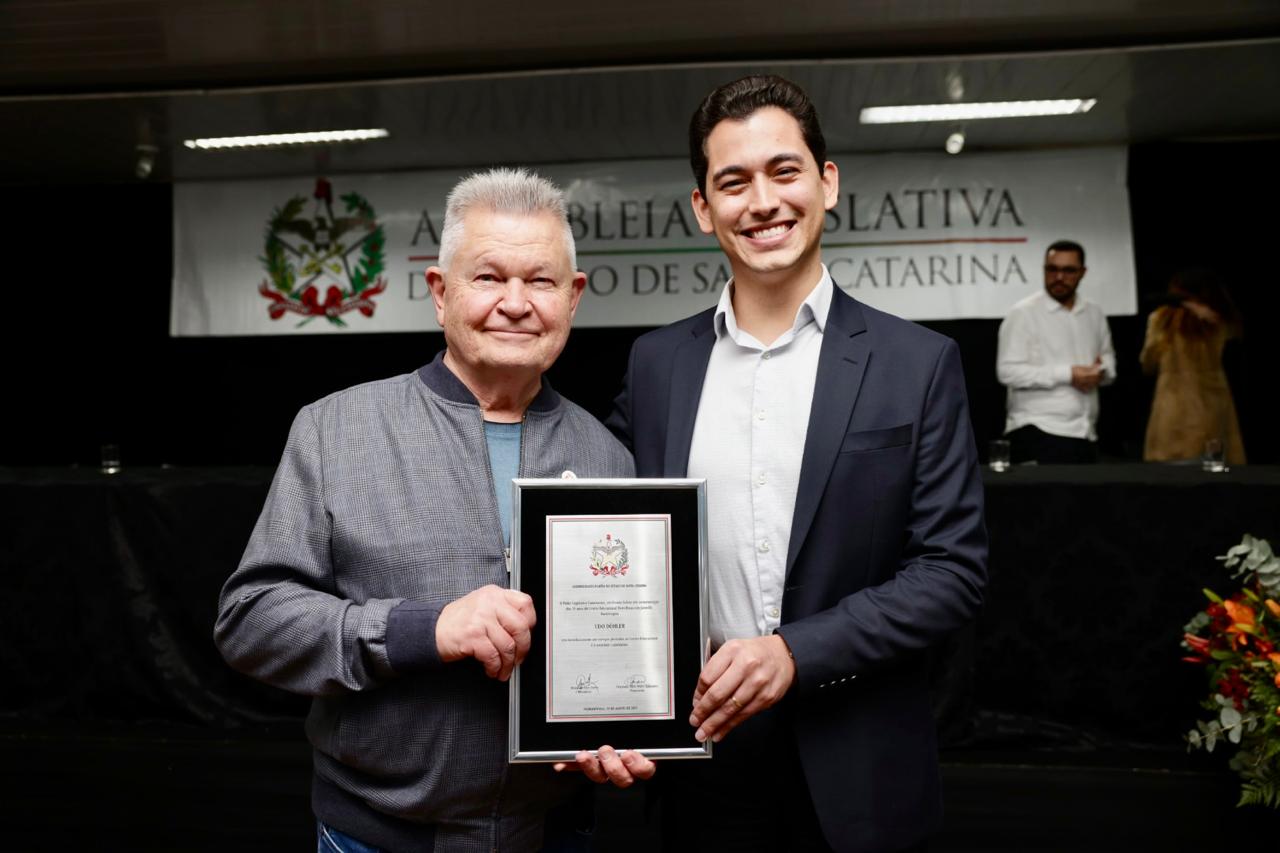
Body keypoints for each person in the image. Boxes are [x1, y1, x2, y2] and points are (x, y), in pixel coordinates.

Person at [215, 168, 653, 852]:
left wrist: (612, 730)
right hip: (374, 836)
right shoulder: (336, 430)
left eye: (540, 281)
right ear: (440, 293)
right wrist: (423, 629)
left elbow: (613, 647)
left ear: (572, 299)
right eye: (487, 277)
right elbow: (252, 619)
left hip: (553, 832)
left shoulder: (608, 457)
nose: (515, 303)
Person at [606, 75, 987, 853]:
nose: (763, 201)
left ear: (827, 182)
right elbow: (608, 537)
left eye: (785, 171)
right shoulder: (654, 366)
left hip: (860, 765)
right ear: (703, 209)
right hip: (694, 758)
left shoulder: (918, 363)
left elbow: (952, 570)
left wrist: (793, 653)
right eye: (733, 182)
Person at [996, 240, 1117, 464]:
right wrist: (1069, 374)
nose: (1059, 277)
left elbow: (1108, 361)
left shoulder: (1093, 312)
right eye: (1052, 269)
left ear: (1083, 272)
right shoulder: (1023, 313)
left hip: (1086, 431)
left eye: (1068, 270)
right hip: (1038, 430)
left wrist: (1098, 373)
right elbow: (1007, 372)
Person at [1140, 267, 1245, 464]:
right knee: (1212, 470)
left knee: (1174, 474)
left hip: (1175, 412)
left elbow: (1148, 363)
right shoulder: (1216, 318)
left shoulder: (1167, 319)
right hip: (1209, 410)